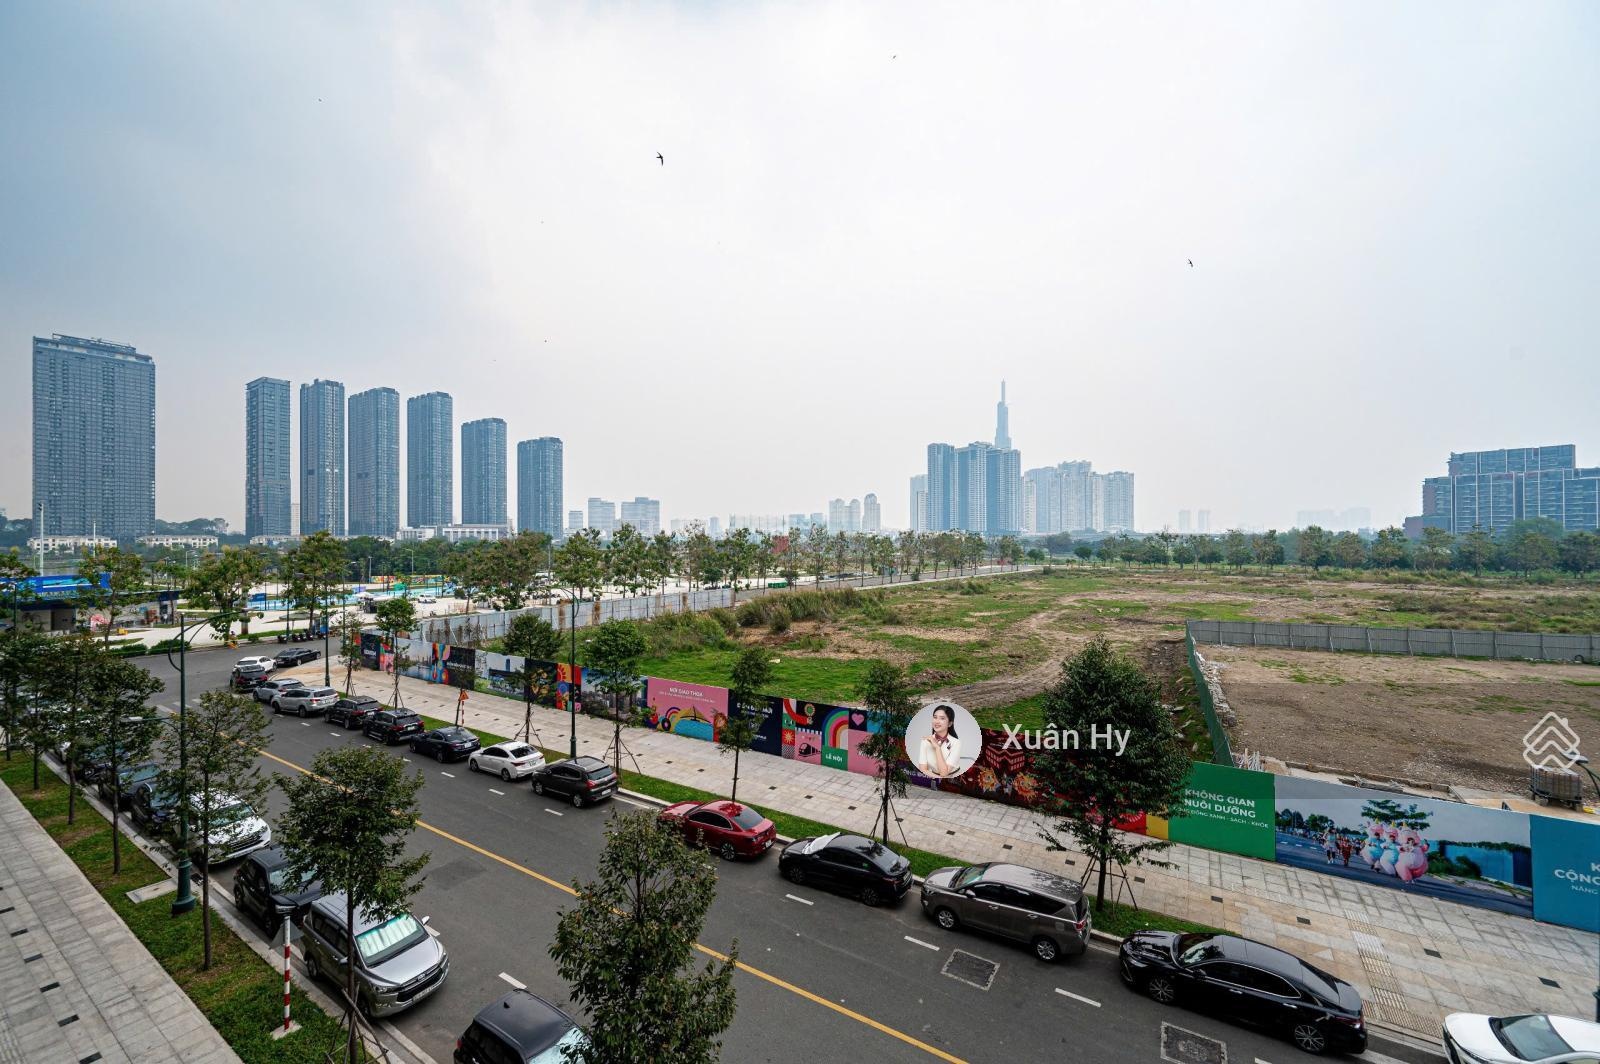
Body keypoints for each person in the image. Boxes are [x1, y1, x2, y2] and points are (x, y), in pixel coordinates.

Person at [917, 705, 963, 778]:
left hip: (955, 777)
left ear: (950, 723)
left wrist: (937, 748)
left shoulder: (956, 743)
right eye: (935, 717)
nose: (937, 721)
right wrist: (937, 778)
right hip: (934, 776)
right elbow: (923, 768)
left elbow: (944, 773)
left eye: (942, 718)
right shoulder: (925, 741)